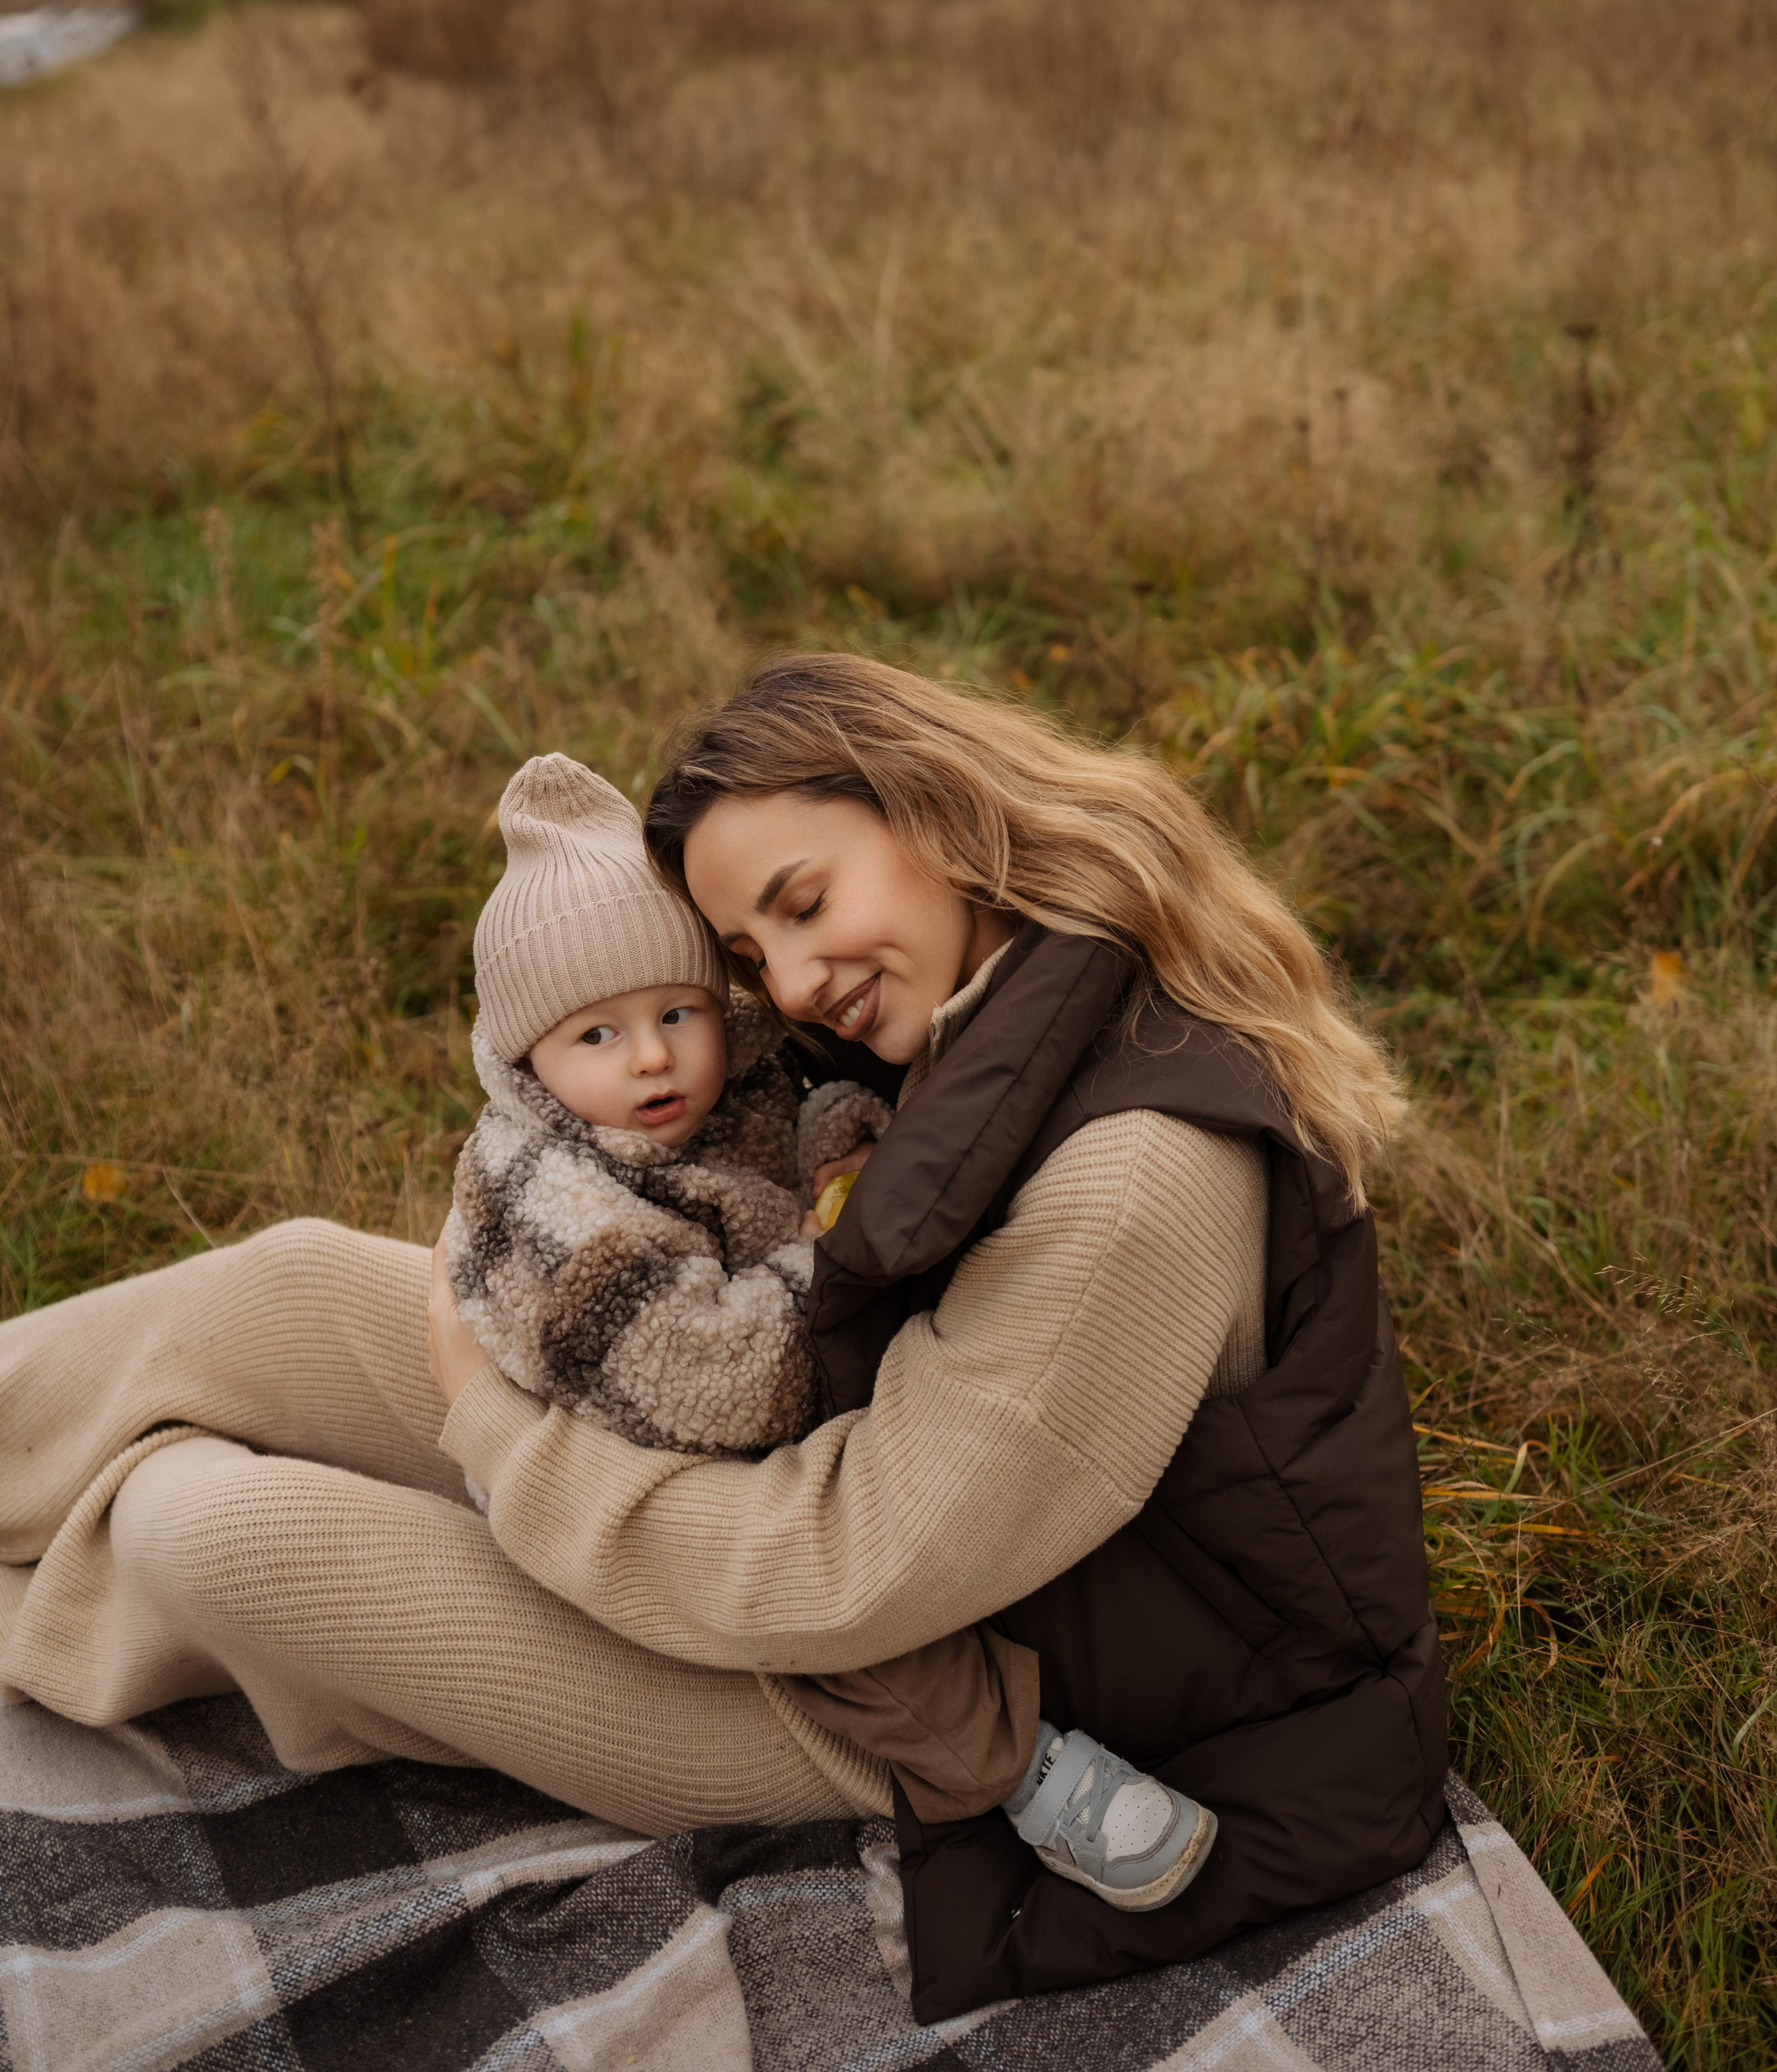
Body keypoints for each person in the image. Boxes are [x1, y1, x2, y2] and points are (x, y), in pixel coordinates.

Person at [0, 652, 1444, 2024]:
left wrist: (494, 1431)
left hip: (934, 1701)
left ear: (939, 815)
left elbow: (842, 1574)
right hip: (861, 1484)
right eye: (755, 953)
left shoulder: (1132, 1185)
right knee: (297, 1285)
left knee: (214, 1533)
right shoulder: (1002, 1006)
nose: (799, 980)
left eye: (805, 902)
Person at [448, 750, 1218, 1911]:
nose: (653, 1055)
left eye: (678, 1011)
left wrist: (846, 1146)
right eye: (597, 1036)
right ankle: (1019, 1773)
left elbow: (799, 1125)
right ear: (529, 1063)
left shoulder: (730, 1079)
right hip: (657, 1427)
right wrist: (837, 1258)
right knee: (877, 1659)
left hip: (741, 1387)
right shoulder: (544, 1195)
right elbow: (721, 1388)